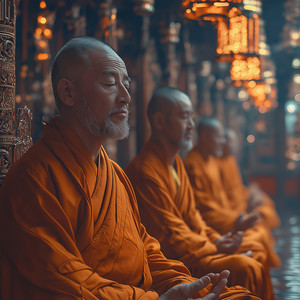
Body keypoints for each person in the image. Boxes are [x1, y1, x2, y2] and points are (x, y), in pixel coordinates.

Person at [0, 36, 258, 300]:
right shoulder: (33, 180)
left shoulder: (114, 174)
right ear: (68, 93)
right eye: (110, 84)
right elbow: (63, 280)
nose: (125, 97)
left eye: (126, 85)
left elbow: (146, 251)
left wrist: (186, 285)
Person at [125, 87, 274, 299]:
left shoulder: (175, 163)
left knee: (256, 252)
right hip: (174, 259)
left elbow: (193, 217)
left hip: (194, 247)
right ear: (159, 122)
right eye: (184, 117)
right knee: (247, 266)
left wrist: (217, 239)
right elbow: (171, 234)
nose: (191, 126)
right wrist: (213, 245)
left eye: (192, 118)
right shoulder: (144, 171)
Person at [183, 117, 281, 269]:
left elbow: (229, 193)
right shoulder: (192, 164)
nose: (223, 141)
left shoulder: (212, 162)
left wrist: (248, 202)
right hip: (212, 224)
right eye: (219, 137)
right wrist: (237, 220)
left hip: (226, 215)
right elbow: (204, 209)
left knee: (262, 223)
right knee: (258, 238)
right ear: (204, 136)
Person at [217, 128, 281, 230]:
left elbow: (238, 187)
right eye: (231, 142)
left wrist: (250, 195)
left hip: (241, 200)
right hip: (233, 208)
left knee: (266, 204)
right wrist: (247, 204)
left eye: (235, 142)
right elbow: (223, 195)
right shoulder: (217, 163)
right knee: (260, 223)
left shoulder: (230, 160)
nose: (234, 145)